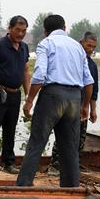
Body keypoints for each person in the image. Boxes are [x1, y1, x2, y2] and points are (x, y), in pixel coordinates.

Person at [16, 15, 94, 188]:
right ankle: (71, 188)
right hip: (74, 97)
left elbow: (40, 74)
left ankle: (23, 186)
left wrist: (29, 101)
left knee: (37, 143)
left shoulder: (47, 43)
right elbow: (88, 80)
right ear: (65, 27)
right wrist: (85, 106)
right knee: (70, 147)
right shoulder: (77, 47)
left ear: (45, 31)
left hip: (53, 95)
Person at [51, 31, 99, 168]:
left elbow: (93, 91)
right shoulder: (72, 59)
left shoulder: (92, 65)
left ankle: (74, 165)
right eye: (88, 45)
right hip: (69, 102)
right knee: (64, 134)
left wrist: (92, 109)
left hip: (83, 104)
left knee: (80, 137)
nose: (90, 49)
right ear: (81, 42)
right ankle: (55, 165)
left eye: (93, 47)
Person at [0, 15, 30, 174]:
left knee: (10, 129)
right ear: (10, 28)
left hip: (15, 94)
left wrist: (28, 95)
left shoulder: (24, 47)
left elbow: (25, 71)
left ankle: (8, 162)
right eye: (17, 30)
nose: (20, 34)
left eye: (23, 31)